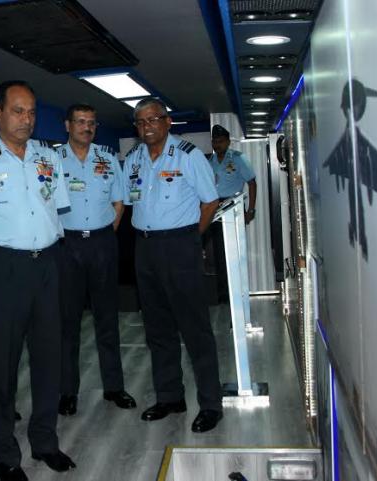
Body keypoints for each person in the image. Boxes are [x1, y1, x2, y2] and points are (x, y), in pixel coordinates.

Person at [0, 80, 75, 481]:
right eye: (18, 111)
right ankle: (5, 452)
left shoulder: (48, 157)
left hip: (48, 264)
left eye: (32, 112)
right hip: (4, 268)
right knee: (2, 365)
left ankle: (45, 441)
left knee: (49, 358)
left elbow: (57, 207)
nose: (27, 119)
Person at [123, 98, 224, 433]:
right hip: (145, 248)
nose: (147, 126)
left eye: (153, 119)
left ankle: (211, 404)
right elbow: (126, 200)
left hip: (180, 246)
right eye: (141, 122)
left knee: (195, 329)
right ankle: (170, 397)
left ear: (167, 122)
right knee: (157, 329)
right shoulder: (133, 159)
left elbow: (210, 201)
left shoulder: (188, 156)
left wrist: (192, 239)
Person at [56, 103, 136, 416]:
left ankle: (114, 387)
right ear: (67, 125)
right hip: (67, 246)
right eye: (80, 121)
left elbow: (119, 203)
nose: (86, 127)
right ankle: (67, 391)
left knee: (107, 319)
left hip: (103, 243)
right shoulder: (52, 160)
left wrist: (104, 234)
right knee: (68, 323)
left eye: (91, 122)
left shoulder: (107, 159)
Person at [206, 125, 257, 300]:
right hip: (215, 208)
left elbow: (252, 183)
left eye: (220, 141)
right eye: (214, 141)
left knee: (236, 252)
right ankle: (223, 295)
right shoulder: (210, 161)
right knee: (219, 253)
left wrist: (251, 209)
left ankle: (238, 293)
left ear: (228, 142)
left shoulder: (238, 158)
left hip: (233, 206)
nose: (217, 145)